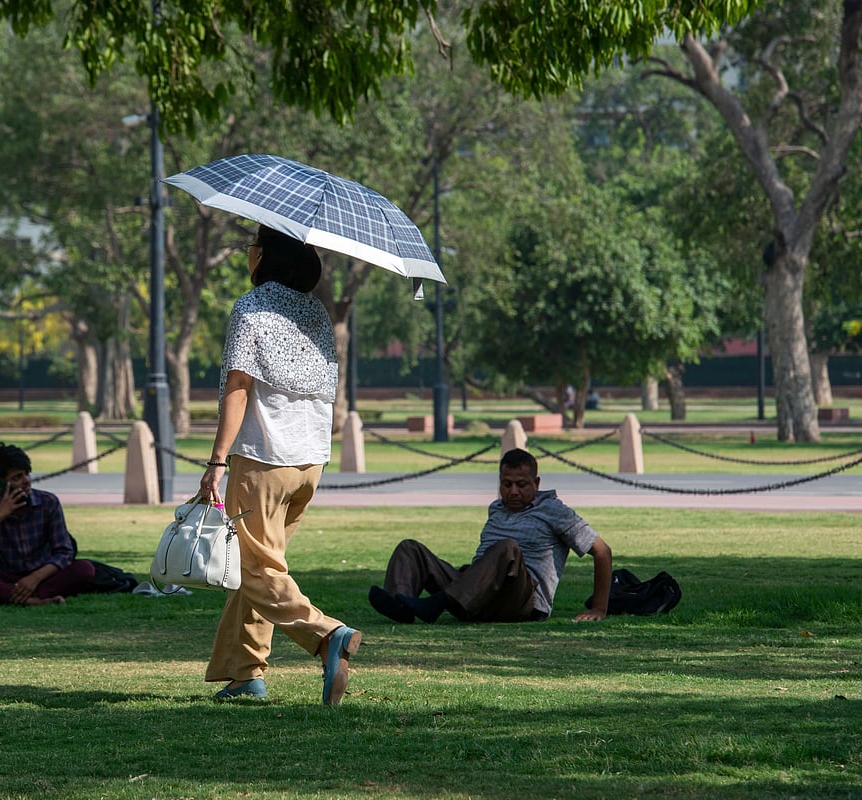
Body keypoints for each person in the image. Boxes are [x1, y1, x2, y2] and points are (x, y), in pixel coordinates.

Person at [199, 225, 361, 706]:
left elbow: (239, 388)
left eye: (252, 245)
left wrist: (216, 461)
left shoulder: (250, 309)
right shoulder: (316, 312)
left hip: (263, 458)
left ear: (265, 255)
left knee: (254, 569)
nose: (248, 253)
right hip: (309, 462)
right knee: (258, 566)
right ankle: (245, 673)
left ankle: (327, 634)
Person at [368, 448, 612, 624]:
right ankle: (399, 603)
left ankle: (439, 602)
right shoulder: (496, 508)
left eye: (521, 484)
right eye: (506, 484)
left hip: (522, 601)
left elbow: (602, 551)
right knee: (410, 549)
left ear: (536, 483)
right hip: (478, 595)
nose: (513, 491)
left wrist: (599, 608)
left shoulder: (555, 511)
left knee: (508, 549)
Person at [0, 442, 96, 605]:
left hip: (44, 575)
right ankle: (34, 600)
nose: (26, 481)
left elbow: (64, 553)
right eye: (17, 477)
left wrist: (34, 578)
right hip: (9, 577)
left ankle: (8, 597)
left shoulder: (48, 503)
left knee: (85, 569)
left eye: (27, 474)